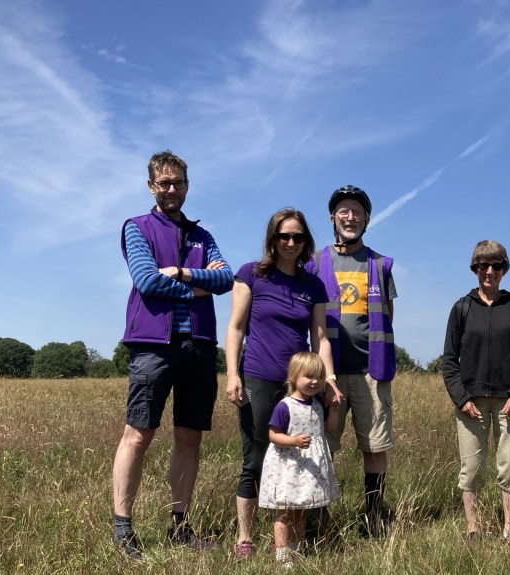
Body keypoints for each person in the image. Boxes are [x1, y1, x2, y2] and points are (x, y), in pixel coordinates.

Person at [112, 150, 234, 559]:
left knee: (189, 438)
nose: (171, 189)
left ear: (187, 184)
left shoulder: (202, 235)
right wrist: (201, 288)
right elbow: (147, 281)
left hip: (199, 345)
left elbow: (225, 279)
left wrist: (182, 274)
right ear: (151, 186)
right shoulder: (137, 227)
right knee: (138, 434)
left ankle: (179, 527)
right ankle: (123, 529)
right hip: (153, 345)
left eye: (178, 182)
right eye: (164, 183)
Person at [224, 207, 339, 561]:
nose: (290, 242)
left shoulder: (312, 284)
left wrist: (329, 380)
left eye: (298, 237)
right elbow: (236, 328)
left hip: (299, 386)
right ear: (272, 238)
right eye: (284, 236)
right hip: (258, 375)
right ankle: (245, 538)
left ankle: (294, 539)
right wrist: (232, 373)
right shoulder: (252, 275)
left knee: (303, 456)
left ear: (306, 242)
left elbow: (320, 338)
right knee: (257, 457)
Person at [306, 185, 397, 536]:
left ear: (367, 220)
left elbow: (388, 316)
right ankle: (319, 519)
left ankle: (373, 518)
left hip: (371, 371)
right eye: (343, 211)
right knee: (323, 445)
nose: (350, 217)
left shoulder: (380, 264)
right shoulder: (313, 262)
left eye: (357, 212)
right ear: (332, 217)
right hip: (324, 373)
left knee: (374, 446)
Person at [441, 240, 510, 539]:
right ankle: (473, 528)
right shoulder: (461, 308)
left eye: (496, 265)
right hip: (470, 404)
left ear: (504, 269)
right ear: (474, 269)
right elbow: (449, 361)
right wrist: (461, 398)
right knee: (470, 469)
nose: (489, 271)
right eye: (483, 265)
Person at [259, 352, 341, 568]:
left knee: (303, 509)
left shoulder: (317, 404)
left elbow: (329, 429)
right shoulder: (285, 406)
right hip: (288, 467)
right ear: (294, 377)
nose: (314, 382)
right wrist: (293, 440)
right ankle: (282, 554)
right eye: (309, 376)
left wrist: (333, 409)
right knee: (285, 510)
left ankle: (296, 548)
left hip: (308, 469)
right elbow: (273, 434)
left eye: (319, 377)